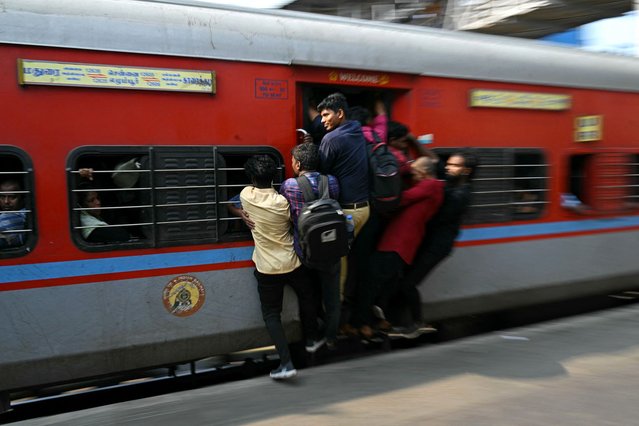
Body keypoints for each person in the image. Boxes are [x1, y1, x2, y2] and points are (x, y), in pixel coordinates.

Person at [240, 155, 320, 380]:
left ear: (252, 178)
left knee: (271, 314)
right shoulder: (282, 202)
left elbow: (230, 203)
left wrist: (239, 213)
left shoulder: (247, 196)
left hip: (267, 268)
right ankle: (312, 339)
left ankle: (286, 363)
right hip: (292, 262)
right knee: (307, 296)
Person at [394, 149, 478, 334]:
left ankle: (416, 322)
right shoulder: (449, 182)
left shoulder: (461, 194)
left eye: (455, 165)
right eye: (448, 164)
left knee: (408, 283)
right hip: (427, 241)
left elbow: (438, 215)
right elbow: (432, 160)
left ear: (467, 171)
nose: (448, 168)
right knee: (402, 279)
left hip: (437, 246)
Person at [362, 156, 444, 335]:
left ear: (423, 173)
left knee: (372, 278)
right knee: (386, 282)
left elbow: (401, 198)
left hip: (398, 242)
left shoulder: (431, 186)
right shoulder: (431, 186)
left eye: (415, 173)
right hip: (399, 242)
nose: (411, 176)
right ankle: (380, 319)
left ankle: (369, 321)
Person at [280, 143, 341, 351]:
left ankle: (311, 338)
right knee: (332, 295)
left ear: (297, 164)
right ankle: (331, 336)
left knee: (309, 294)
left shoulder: (290, 185)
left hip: (304, 252)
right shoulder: (331, 181)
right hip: (331, 247)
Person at [0, 179, 27, 248]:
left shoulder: (14, 217)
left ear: (22, 198)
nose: (6, 201)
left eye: (12, 197)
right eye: (2, 197)